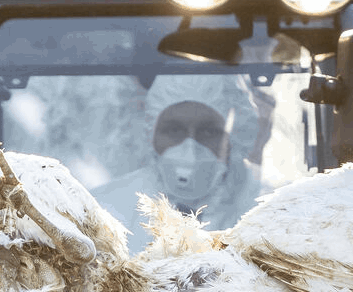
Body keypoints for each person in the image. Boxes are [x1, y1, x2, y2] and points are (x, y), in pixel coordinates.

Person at [89, 72, 276, 252]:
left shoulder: (269, 213)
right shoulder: (104, 213)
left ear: (233, 137)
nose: (190, 150)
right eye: (174, 130)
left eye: (208, 131)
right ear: (150, 134)